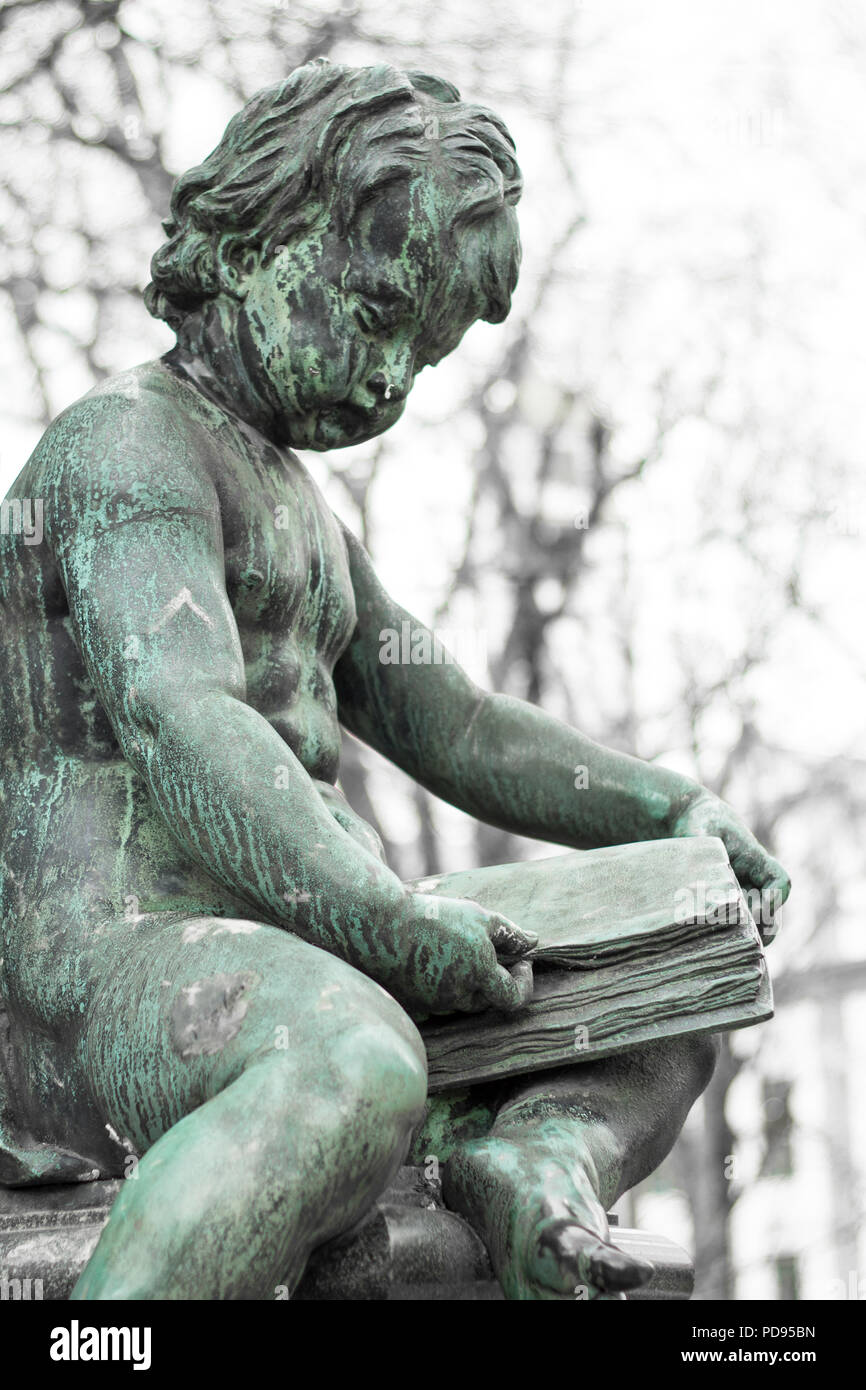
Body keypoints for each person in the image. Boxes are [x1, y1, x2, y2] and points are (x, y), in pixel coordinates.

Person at [0, 60, 789, 1300]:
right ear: (259, 238)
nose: (385, 384)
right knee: (353, 1064)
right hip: (112, 987)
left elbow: (455, 719)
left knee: (674, 980)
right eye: (374, 321)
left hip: (300, 961)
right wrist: (379, 914)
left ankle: (526, 1164)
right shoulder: (127, 446)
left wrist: (664, 813)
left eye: (418, 362)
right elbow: (180, 713)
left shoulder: (298, 509)